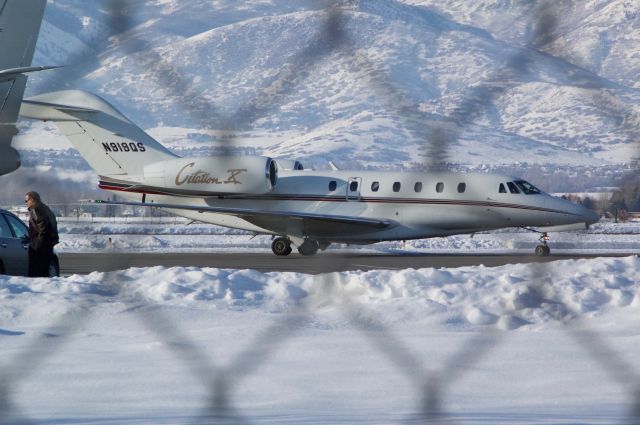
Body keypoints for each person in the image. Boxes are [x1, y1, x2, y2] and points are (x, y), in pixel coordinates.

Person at [25, 191, 59, 277]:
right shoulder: (43, 208)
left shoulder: (37, 209)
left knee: (37, 272)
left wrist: (37, 243)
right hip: (46, 244)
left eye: (26, 200)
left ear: (32, 200)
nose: (26, 203)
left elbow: (43, 228)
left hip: (41, 245)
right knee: (42, 272)